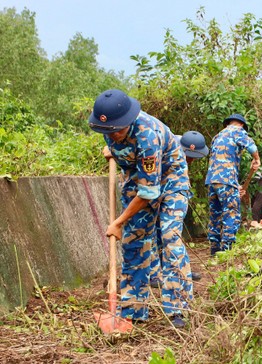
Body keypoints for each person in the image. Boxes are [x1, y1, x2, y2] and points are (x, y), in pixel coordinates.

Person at [88, 89, 193, 330]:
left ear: (129, 121)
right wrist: (113, 149)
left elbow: (148, 193)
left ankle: (178, 308)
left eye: (118, 131)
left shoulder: (148, 135)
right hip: (139, 181)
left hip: (170, 183)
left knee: (169, 237)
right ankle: (132, 310)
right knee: (133, 241)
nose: (113, 135)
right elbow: (125, 159)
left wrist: (118, 221)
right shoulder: (110, 130)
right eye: (108, 132)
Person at [150, 130, 208, 285]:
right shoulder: (163, 142)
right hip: (153, 190)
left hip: (175, 191)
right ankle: (155, 275)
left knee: (171, 234)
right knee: (154, 232)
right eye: (188, 156)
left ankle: (180, 273)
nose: (190, 160)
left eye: (193, 157)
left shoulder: (185, 160)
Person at [205, 113, 260, 255]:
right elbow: (252, 147)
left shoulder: (217, 136)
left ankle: (214, 248)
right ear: (241, 124)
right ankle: (226, 249)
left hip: (212, 181)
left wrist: (236, 186)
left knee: (215, 214)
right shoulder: (238, 131)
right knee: (231, 213)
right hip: (227, 180)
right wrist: (256, 159)